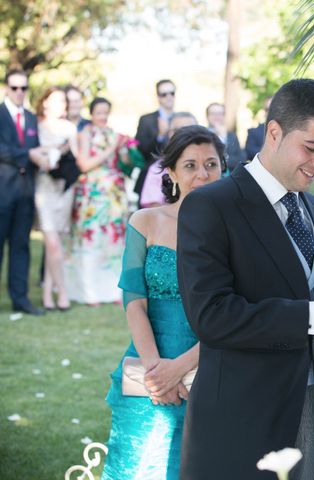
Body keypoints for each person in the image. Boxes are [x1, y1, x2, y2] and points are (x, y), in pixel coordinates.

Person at [177, 79, 314, 480]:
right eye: (311, 149)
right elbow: (212, 317)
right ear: (274, 132)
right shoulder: (211, 206)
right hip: (240, 421)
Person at [101, 126, 226, 480]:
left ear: (223, 168)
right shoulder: (145, 221)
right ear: (170, 172)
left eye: (211, 164)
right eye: (190, 165)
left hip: (210, 364)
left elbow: (236, 312)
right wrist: (158, 372)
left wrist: (182, 368)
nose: (202, 174)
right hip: (148, 364)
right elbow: (134, 302)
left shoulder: (237, 232)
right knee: (139, 466)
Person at [66, 97, 128, 305]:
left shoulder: (113, 134)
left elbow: (124, 162)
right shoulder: (85, 134)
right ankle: (89, 292)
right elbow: (84, 164)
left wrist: (126, 148)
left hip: (114, 195)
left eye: (106, 112)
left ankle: (112, 291)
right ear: (91, 114)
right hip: (92, 195)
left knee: (112, 241)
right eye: (99, 112)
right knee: (91, 240)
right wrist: (111, 148)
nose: (102, 116)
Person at [0, 68, 48, 315]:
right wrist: (27, 155)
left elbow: (37, 150)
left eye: (23, 88)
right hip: (2, 193)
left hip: (25, 194)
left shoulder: (30, 118)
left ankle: (21, 299)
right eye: (15, 87)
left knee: (21, 246)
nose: (19, 92)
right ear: (7, 88)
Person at [34, 87, 79, 311]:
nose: (61, 104)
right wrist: (56, 148)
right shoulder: (36, 126)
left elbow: (77, 156)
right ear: (45, 103)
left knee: (57, 243)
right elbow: (31, 151)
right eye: (56, 100)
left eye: (64, 101)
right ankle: (62, 292)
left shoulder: (70, 128)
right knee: (51, 243)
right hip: (43, 188)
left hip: (64, 188)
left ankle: (46, 294)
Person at [139, 112, 198, 208]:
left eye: (191, 129)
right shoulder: (158, 168)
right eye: (177, 130)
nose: (185, 134)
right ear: (170, 133)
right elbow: (154, 208)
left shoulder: (212, 164)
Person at [134, 79, 176, 203]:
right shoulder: (146, 120)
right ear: (158, 97)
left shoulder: (181, 119)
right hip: (150, 181)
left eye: (172, 93)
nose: (168, 97)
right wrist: (160, 135)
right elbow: (141, 150)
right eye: (164, 94)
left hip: (176, 181)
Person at [206, 102, 245, 171]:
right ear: (207, 116)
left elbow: (241, 158)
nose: (216, 116)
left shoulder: (232, 136)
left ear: (224, 116)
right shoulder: (202, 134)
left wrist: (223, 138)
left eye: (219, 114)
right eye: (213, 113)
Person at [244, 96, 271, 161]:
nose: (271, 112)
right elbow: (249, 153)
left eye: (274, 109)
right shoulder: (253, 132)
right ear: (264, 111)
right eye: (267, 109)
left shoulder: (289, 131)